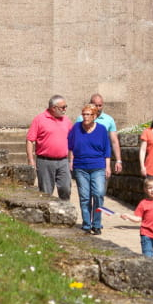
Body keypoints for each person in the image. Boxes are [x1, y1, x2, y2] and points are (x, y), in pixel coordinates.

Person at [68, 103, 111, 235]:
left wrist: (108, 166)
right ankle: (86, 224)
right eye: (84, 114)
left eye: (88, 114)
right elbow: (70, 146)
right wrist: (71, 161)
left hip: (98, 166)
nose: (85, 117)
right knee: (85, 197)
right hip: (81, 167)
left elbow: (107, 149)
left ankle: (97, 224)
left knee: (98, 194)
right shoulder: (76, 128)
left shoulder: (102, 130)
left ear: (94, 116)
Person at [26, 95, 72, 201]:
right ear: (53, 108)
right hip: (45, 161)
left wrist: (71, 159)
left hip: (63, 161)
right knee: (46, 193)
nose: (65, 109)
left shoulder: (66, 120)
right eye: (63, 107)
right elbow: (30, 140)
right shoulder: (39, 119)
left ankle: (64, 209)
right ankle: (47, 209)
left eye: (66, 106)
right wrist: (30, 159)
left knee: (65, 188)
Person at [120, 176, 153, 261]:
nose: (152, 190)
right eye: (150, 188)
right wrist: (128, 216)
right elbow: (138, 219)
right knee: (147, 256)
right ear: (145, 190)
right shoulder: (143, 203)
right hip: (146, 234)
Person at [75, 93, 122, 175]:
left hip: (101, 161)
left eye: (100, 105)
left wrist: (118, 161)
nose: (97, 108)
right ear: (90, 104)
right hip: (84, 161)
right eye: (95, 105)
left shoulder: (109, 120)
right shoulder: (81, 119)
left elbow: (114, 141)